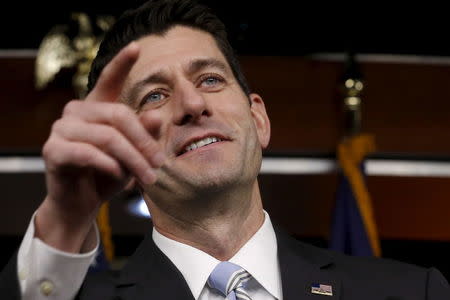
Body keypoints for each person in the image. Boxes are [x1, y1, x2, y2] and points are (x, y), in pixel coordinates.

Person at [1, 0, 449, 299]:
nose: (192, 105)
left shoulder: (414, 291)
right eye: (154, 96)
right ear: (123, 149)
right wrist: (66, 214)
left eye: (210, 80)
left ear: (259, 119)